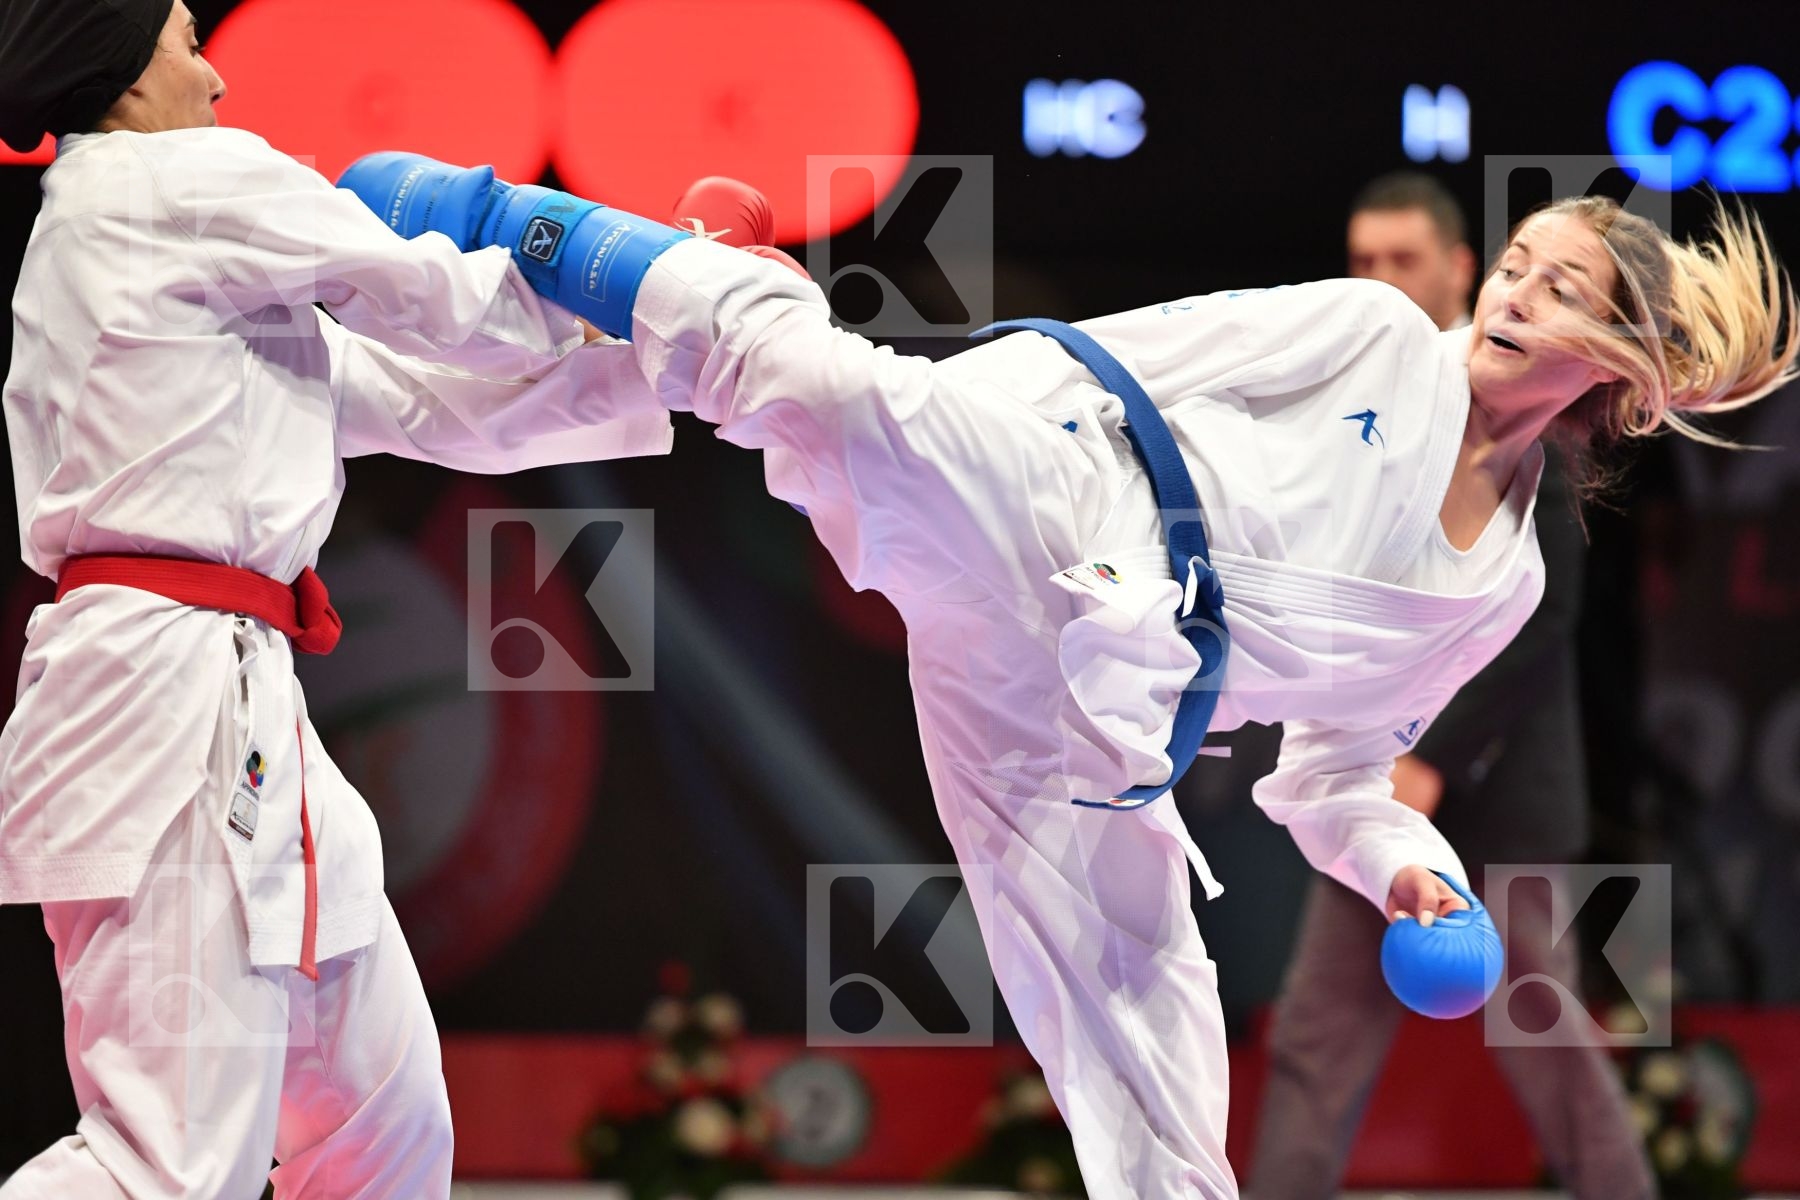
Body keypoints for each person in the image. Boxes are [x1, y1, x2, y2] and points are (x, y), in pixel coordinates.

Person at [348, 158, 1797, 1197]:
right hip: (1075, 501)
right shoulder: (1374, 338)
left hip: (1105, 719)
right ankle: (491, 224)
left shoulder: (1503, 587)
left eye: (1565, 289)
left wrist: (1410, 869)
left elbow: (1336, 778)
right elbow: (1143, 352)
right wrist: (945, 406)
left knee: (1145, 1042)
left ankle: (754, 318)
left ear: (1623, 370)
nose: (1517, 292)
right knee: (827, 392)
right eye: (1524, 261)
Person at [0, 3, 674, 1197]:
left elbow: (433, 399)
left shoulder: (143, 247)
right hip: (162, 697)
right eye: (188, 40)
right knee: (166, 1160)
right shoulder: (174, 179)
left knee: (382, 1129)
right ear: (118, 63)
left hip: (237, 704)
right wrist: (669, 281)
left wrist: (668, 355)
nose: (215, 77)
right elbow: (444, 299)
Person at [1247, 173, 1656, 1197]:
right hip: (1366, 783)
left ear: (1459, 268)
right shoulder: (1360, 398)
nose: (1381, 279)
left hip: (1499, 787)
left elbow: (1539, 617)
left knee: (1544, 1041)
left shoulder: (1536, 393)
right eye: (1365, 261)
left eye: (1403, 260)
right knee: (1316, 1035)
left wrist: (1428, 757)